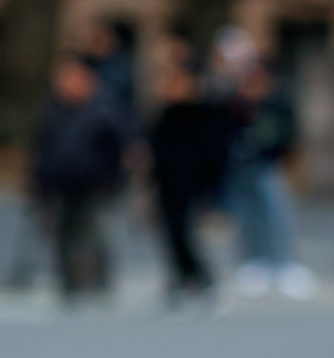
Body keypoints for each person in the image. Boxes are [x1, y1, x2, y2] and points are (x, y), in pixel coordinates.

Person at [30, 53, 129, 302]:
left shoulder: (103, 112)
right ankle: (69, 282)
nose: (66, 84)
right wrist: (39, 178)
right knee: (63, 233)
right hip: (60, 182)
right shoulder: (52, 110)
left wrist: (111, 178)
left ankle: (98, 281)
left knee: (91, 233)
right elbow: (42, 147)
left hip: (93, 183)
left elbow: (117, 149)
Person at [225, 60, 315, 299]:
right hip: (242, 166)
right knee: (248, 216)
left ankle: (285, 263)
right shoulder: (237, 103)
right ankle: (255, 262)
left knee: (278, 214)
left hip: (271, 164)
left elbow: (289, 134)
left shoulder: (277, 102)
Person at [148, 61, 226, 307]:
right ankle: (182, 275)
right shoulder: (164, 114)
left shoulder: (202, 114)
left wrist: (211, 186)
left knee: (186, 232)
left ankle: (198, 275)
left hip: (193, 183)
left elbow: (213, 152)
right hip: (168, 182)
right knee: (171, 232)